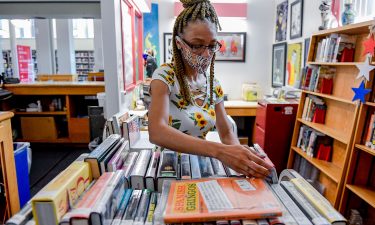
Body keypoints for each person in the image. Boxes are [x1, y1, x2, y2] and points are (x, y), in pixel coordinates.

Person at [148, 0, 273, 178]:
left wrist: (241, 159)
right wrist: (220, 152)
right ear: (178, 43)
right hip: (168, 170)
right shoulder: (165, 77)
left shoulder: (213, 84)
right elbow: (157, 132)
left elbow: (226, 131)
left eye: (212, 45)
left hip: (199, 168)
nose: (206, 54)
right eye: (197, 45)